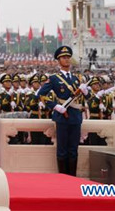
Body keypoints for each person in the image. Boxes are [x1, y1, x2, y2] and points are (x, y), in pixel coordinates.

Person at [37, 45, 90, 177]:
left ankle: (72, 177)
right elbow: (40, 94)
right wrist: (55, 106)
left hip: (76, 117)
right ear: (58, 61)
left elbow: (88, 97)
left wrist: (85, 91)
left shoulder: (77, 78)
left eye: (68, 57)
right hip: (62, 116)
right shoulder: (54, 78)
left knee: (73, 149)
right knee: (62, 150)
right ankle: (63, 178)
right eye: (63, 58)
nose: (66, 60)